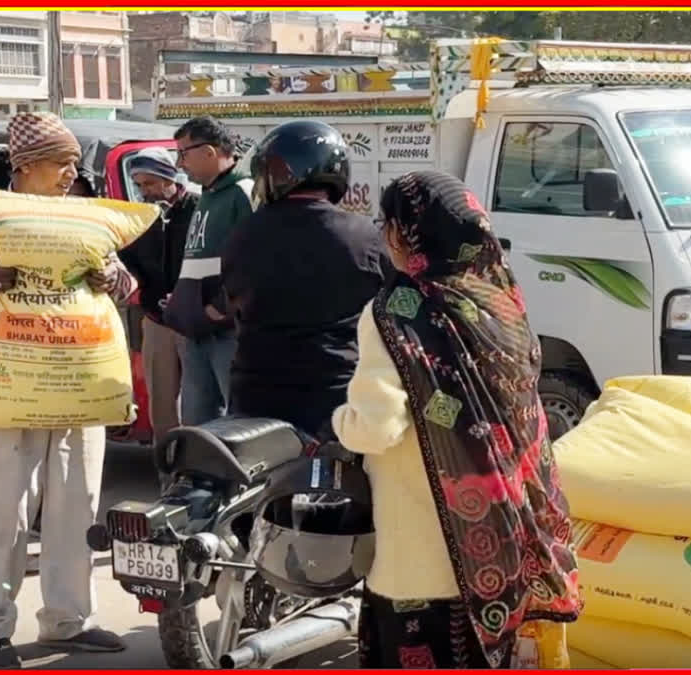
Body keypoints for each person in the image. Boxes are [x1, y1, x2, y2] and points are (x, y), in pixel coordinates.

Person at [332, 171, 583, 668]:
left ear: (410, 233)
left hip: (421, 558)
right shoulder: (500, 301)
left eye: (391, 224)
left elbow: (376, 428)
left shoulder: (396, 311)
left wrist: (339, 421)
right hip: (506, 544)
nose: (386, 235)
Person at [0, 112, 132, 667]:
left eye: (73, 164)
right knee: (1, 510)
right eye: (61, 163)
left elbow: (127, 284)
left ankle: (68, 621)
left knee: (76, 504)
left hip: (76, 384)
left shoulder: (84, 214)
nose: (72, 173)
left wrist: (113, 280)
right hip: (7, 385)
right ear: (24, 166)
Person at [221, 120, 385, 436]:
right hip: (337, 399)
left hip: (256, 399)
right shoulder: (366, 236)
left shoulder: (243, 234)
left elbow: (230, 304)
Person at [165, 116, 253, 425]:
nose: (180, 163)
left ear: (209, 152)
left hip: (227, 333)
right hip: (197, 331)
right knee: (197, 422)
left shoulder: (244, 192)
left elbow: (257, 260)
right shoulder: (208, 196)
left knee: (238, 420)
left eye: (184, 153)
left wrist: (223, 309)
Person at [118, 148, 198, 441]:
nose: (144, 192)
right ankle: (168, 471)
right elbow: (130, 262)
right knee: (161, 406)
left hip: (195, 322)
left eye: (150, 184)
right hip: (156, 320)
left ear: (170, 179)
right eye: (139, 185)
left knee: (197, 405)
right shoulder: (143, 216)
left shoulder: (199, 209)